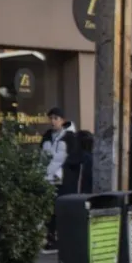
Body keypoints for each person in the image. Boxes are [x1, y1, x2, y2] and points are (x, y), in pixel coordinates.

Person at [40, 107, 77, 253]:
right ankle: (51, 240)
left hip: (64, 181)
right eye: (51, 118)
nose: (53, 121)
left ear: (63, 120)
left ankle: (65, 240)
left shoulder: (70, 137)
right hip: (48, 179)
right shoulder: (47, 136)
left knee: (62, 210)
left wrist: (61, 173)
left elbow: (74, 158)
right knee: (49, 212)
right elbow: (42, 157)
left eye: (56, 118)